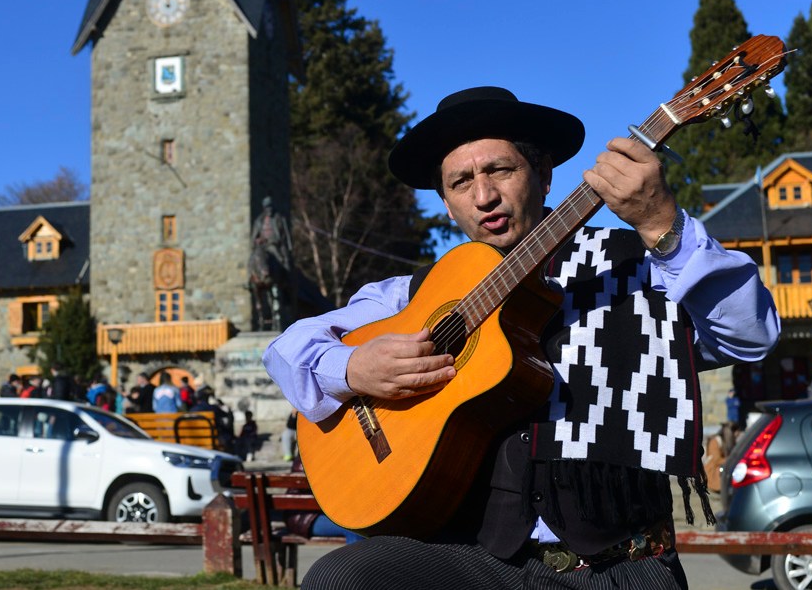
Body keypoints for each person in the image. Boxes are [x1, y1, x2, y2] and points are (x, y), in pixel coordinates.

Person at [262, 86, 780, 589]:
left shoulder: (642, 264)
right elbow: (288, 349)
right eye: (461, 182)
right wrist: (352, 369)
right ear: (446, 204)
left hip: (616, 567)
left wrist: (663, 224)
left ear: (546, 176)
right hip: (478, 560)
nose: (484, 195)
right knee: (341, 578)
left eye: (500, 170)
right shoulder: (413, 294)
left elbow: (749, 335)